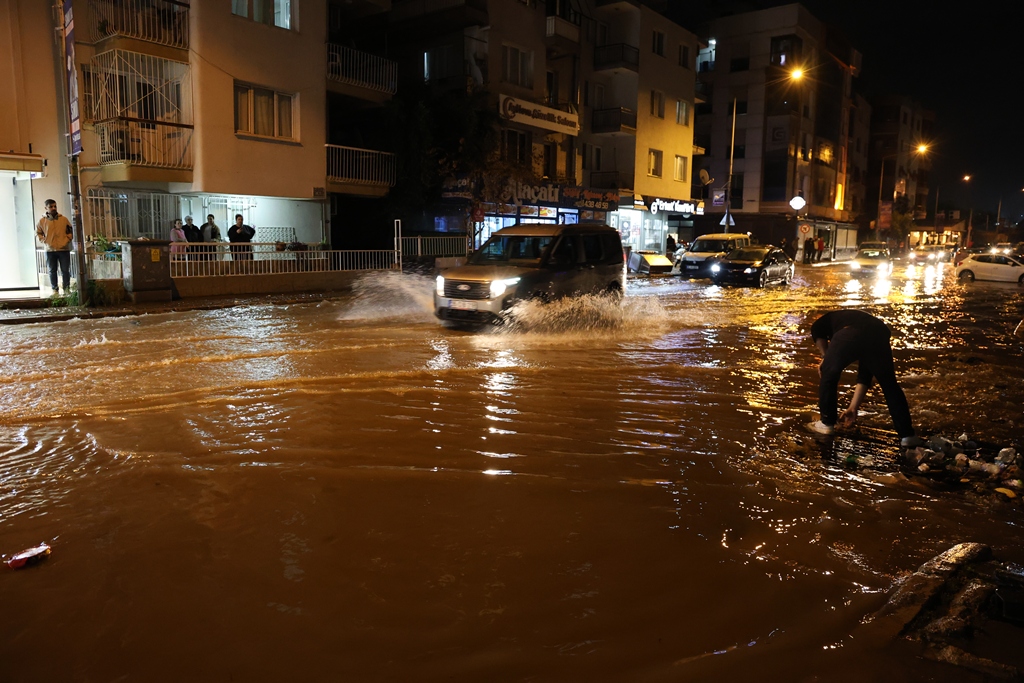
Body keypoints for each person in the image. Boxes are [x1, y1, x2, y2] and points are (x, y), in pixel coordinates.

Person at [806, 309, 922, 447]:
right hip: (880, 333)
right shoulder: (848, 318)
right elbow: (865, 375)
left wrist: (825, 357)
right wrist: (853, 408)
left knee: (828, 373)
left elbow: (816, 329)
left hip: (852, 330)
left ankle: (826, 423)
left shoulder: (825, 321)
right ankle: (907, 436)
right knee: (889, 384)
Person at [35, 199, 74, 295]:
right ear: (46, 208)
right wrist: (44, 241)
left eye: (55, 206)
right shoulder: (42, 221)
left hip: (63, 249)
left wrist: (67, 240)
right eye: (51, 207)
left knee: (65, 270)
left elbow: (70, 231)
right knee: (52, 270)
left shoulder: (63, 219)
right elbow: (38, 233)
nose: (53, 208)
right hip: (50, 250)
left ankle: (66, 289)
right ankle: (55, 289)